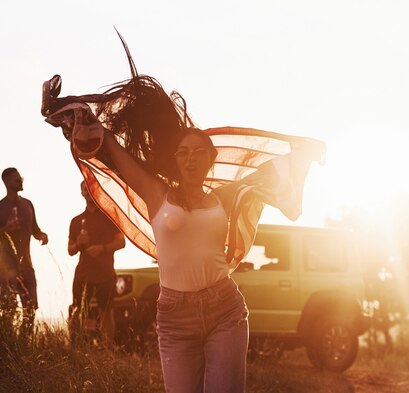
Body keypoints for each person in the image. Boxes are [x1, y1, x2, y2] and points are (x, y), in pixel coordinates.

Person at [40, 37, 323, 392]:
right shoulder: (157, 194)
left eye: (198, 153)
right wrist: (79, 113)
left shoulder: (224, 196)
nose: (190, 159)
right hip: (175, 317)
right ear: (175, 160)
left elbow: (267, 171)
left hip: (225, 309)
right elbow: (110, 146)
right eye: (183, 153)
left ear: (209, 159)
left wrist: (304, 154)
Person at [0, 167, 48, 332]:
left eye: (21, 179)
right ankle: (8, 343)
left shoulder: (28, 204)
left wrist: (42, 235)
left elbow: (35, 229)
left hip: (26, 266)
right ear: (7, 182)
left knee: (30, 309)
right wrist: (6, 229)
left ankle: (24, 342)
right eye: (17, 180)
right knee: (8, 310)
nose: (21, 182)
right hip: (7, 268)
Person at [67, 180, 125, 345]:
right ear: (82, 193)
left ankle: (108, 352)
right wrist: (78, 243)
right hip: (83, 273)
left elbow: (121, 242)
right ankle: (75, 349)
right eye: (84, 189)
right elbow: (70, 250)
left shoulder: (110, 216)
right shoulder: (76, 221)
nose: (88, 191)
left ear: (96, 189)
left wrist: (103, 248)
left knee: (106, 313)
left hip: (105, 273)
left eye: (90, 187)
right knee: (78, 312)